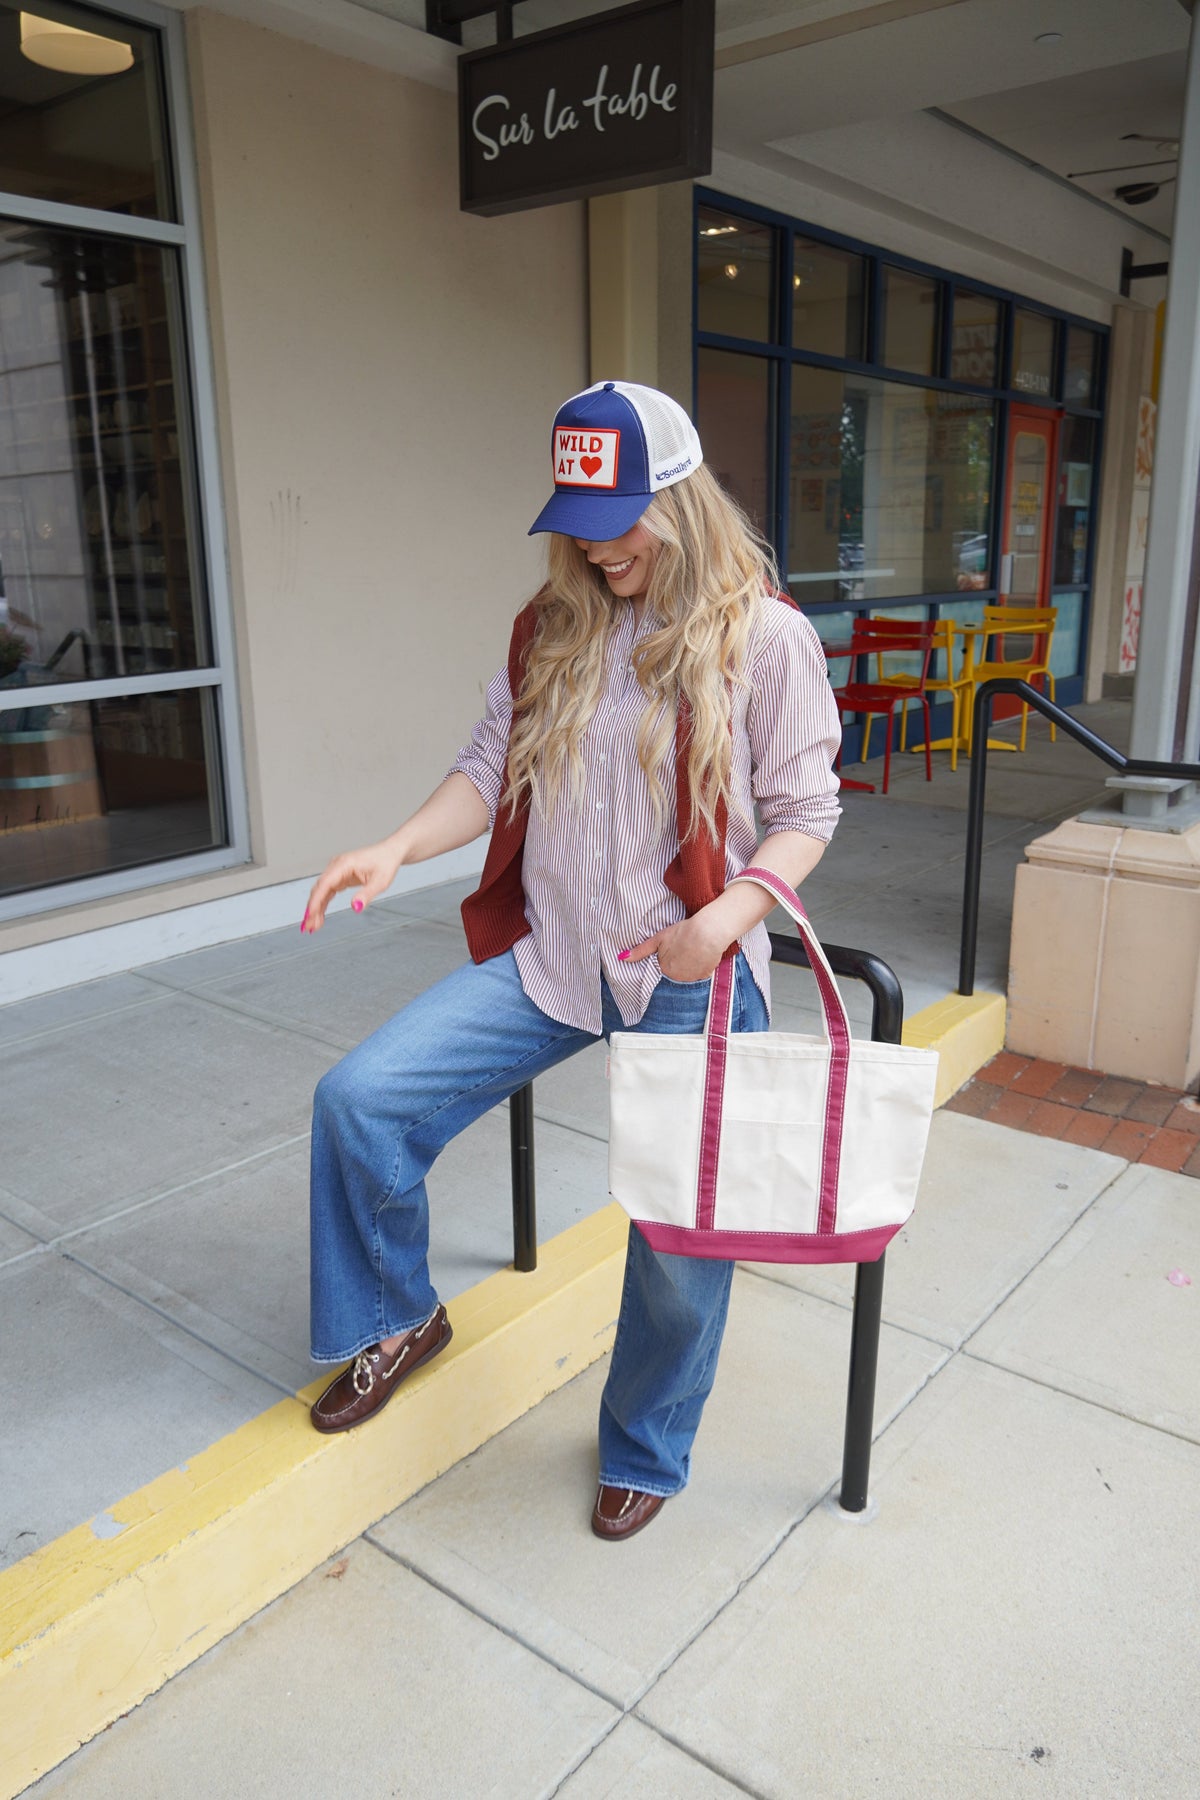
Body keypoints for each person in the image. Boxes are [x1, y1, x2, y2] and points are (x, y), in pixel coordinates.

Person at [302, 380, 841, 1542]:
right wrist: (396, 847)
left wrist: (726, 922)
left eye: (620, 522)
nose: (598, 549)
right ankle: (399, 1314)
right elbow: (489, 768)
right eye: (580, 524)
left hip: (684, 967)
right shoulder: (552, 626)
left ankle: (647, 1443)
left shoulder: (766, 637)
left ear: (682, 501)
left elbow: (807, 815)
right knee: (361, 1100)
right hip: (553, 957)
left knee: (677, 1243)